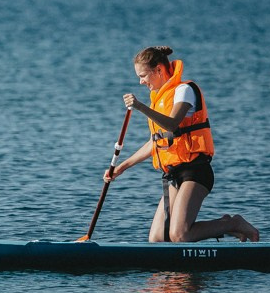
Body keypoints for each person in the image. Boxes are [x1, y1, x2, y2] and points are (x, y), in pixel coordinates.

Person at [105, 46, 259, 243]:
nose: (141, 81)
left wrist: (140, 106)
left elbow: (172, 124)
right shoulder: (160, 100)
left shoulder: (184, 90)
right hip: (173, 174)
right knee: (157, 238)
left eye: (143, 75)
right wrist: (122, 167)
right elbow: (156, 143)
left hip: (196, 170)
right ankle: (222, 227)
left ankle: (232, 224)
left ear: (159, 70)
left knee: (180, 235)